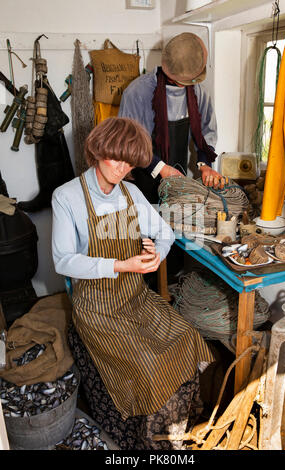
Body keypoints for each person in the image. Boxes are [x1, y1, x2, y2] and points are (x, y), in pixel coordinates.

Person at [51, 117, 215, 450]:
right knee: (150, 365)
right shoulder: (67, 197)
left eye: (129, 161)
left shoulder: (132, 193)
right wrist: (120, 264)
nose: (121, 167)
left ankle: (177, 433)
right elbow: (63, 260)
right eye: (115, 157)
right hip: (96, 307)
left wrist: (158, 254)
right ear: (97, 151)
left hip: (135, 297)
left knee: (187, 338)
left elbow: (165, 232)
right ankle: (146, 442)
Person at [118, 32, 226, 204]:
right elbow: (129, 143)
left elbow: (207, 131)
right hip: (142, 181)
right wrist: (161, 168)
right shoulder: (137, 93)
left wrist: (204, 165)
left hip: (177, 176)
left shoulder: (198, 92)